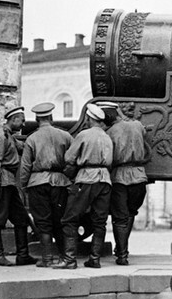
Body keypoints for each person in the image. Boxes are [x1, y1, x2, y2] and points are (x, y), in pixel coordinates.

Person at [52, 104, 113, 269]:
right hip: (105, 181)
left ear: (89, 118)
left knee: (69, 218)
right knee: (100, 222)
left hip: (86, 179)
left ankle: (69, 260)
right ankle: (94, 259)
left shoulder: (84, 135)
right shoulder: (107, 137)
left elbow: (69, 157)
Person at [18, 102, 74, 267]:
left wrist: (23, 186)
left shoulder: (32, 138)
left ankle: (47, 259)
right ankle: (64, 257)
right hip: (60, 183)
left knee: (43, 222)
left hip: (37, 183)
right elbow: (73, 160)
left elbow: (26, 166)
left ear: (36, 119)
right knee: (59, 220)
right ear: (51, 117)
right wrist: (69, 178)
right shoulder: (65, 136)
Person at [100, 101, 152, 265]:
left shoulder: (109, 132)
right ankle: (122, 250)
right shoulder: (137, 125)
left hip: (119, 177)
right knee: (130, 214)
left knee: (120, 218)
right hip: (139, 176)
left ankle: (122, 255)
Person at [0, 106, 37, 266]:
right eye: (21, 121)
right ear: (13, 119)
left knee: (21, 218)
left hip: (10, 183)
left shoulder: (10, 136)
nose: (23, 124)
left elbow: (22, 148)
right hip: (2, 182)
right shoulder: (1, 136)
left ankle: (23, 256)